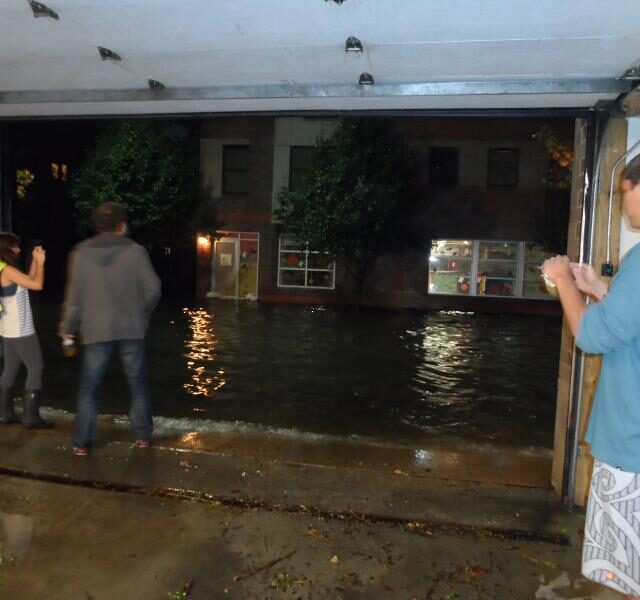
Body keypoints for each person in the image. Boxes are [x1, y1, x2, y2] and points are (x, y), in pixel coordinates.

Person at [542, 153, 640, 599]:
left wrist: (561, 279)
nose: (623, 203)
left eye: (625, 191)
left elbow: (592, 335)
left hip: (633, 445)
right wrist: (600, 289)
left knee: (627, 571)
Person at [59, 202, 161, 457]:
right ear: (122, 225)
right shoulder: (136, 252)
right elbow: (154, 289)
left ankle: (82, 442)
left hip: (95, 330)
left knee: (89, 387)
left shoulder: (79, 254)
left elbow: (74, 298)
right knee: (137, 383)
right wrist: (141, 312)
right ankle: (143, 436)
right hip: (131, 329)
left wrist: (67, 328)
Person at [0, 234, 51, 428]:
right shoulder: (9, 271)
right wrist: (41, 263)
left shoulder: (2, 269)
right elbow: (37, 285)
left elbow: (28, 281)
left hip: (6, 327)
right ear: (7, 248)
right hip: (21, 329)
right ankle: (31, 417)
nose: (18, 250)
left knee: (10, 369)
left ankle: (5, 414)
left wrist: (33, 262)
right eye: (15, 247)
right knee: (36, 368)